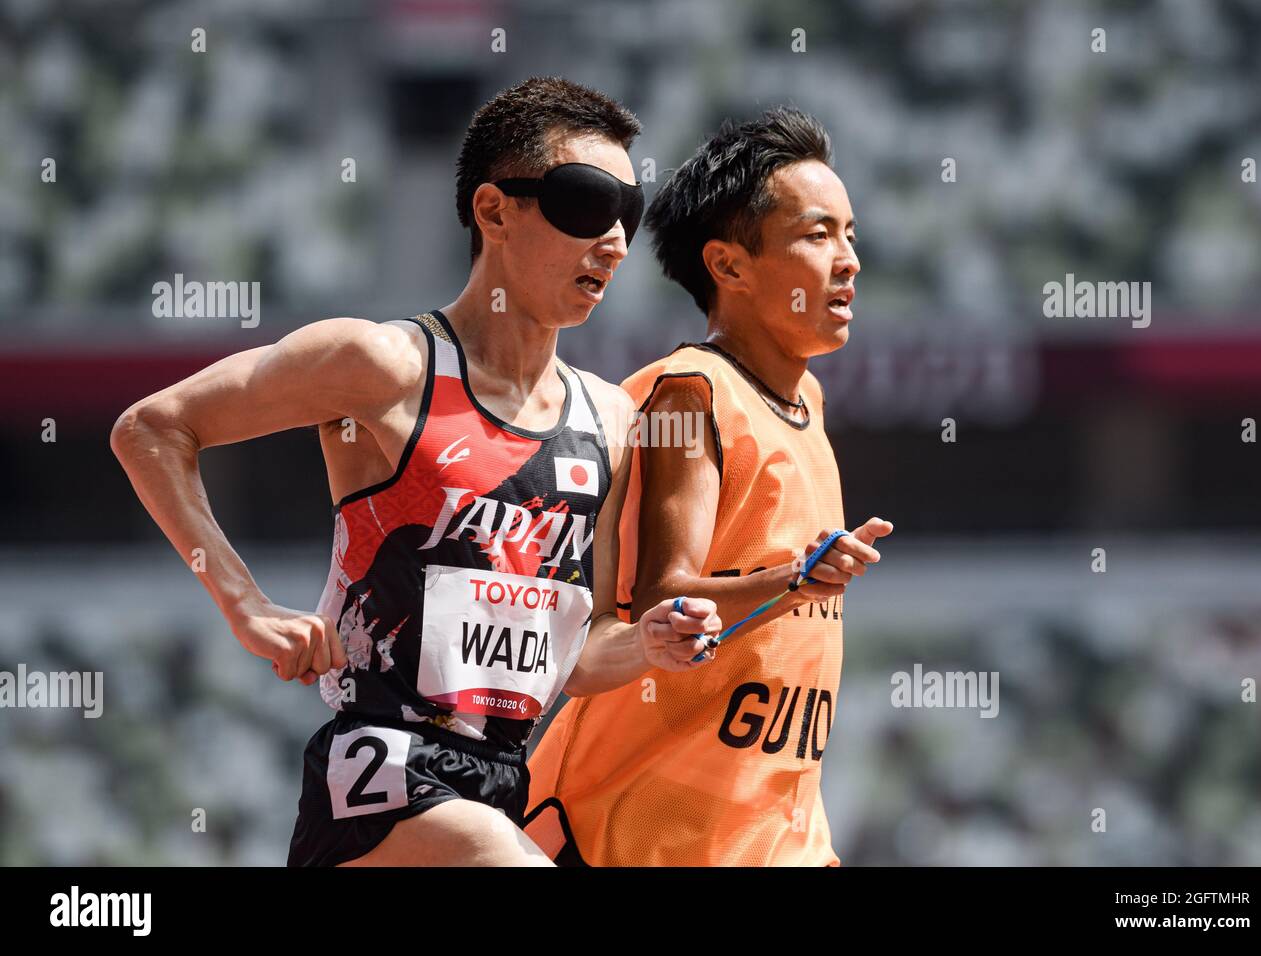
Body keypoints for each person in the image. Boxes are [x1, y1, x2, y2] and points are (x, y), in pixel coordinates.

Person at [110, 76, 721, 867]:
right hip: (380, 776)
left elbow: (579, 653)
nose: (611, 239)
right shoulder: (383, 366)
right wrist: (244, 604)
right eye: (584, 203)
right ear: (494, 211)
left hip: (502, 785)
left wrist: (650, 643)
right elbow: (151, 429)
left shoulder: (608, 420)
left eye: (628, 215)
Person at [523, 107, 894, 866]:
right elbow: (664, 599)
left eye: (850, 234)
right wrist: (793, 577)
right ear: (729, 266)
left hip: (775, 833)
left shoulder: (806, 401)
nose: (849, 259)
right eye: (818, 235)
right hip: (637, 833)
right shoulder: (689, 394)